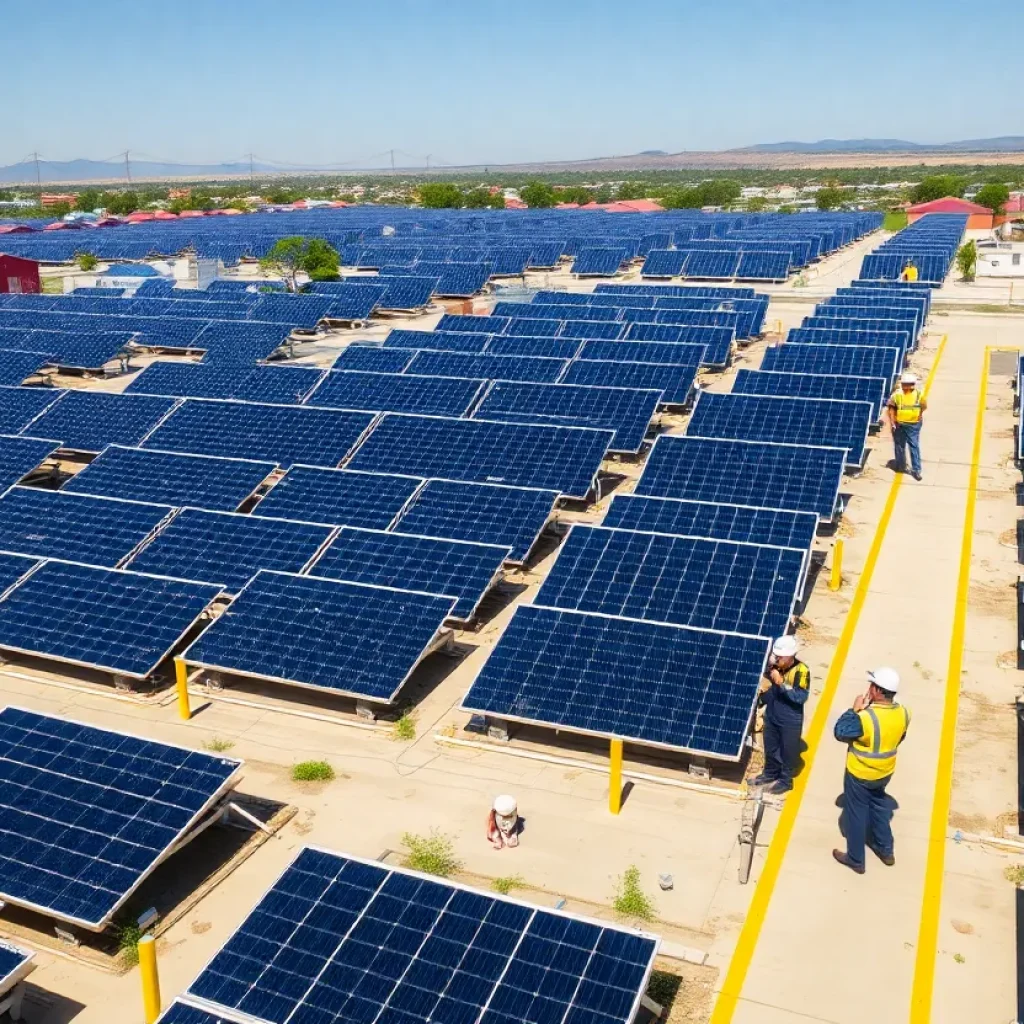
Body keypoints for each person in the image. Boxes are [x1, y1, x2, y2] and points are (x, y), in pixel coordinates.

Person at [832, 667, 911, 874]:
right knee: (878, 809)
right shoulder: (904, 712)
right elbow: (900, 737)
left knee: (856, 815)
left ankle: (855, 859)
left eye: (871, 685)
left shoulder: (866, 718)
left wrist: (854, 710)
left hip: (860, 774)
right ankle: (885, 850)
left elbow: (840, 732)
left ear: (876, 690)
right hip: (884, 772)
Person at [750, 636, 810, 795]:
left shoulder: (802, 671)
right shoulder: (775, 667)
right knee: (771, 747)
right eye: (775, 655)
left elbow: (800, 697)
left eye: (779, 656)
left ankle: (785, 781)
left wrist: (781, 683)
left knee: (788, 751)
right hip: (773, 713)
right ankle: (769, 774)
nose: (776, 658)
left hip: (790, 717)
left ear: (790, 655)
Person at [888, 370, 926, 481]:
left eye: (909, 384)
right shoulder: (897, 395)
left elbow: (923, 406)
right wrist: (893, 422)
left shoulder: (919, 394)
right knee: (900, 446)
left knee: (913, 445)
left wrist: (919, 416)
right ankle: (901, 466)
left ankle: (916, 470)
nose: (907, 386)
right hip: (899, 424)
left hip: (913, 425)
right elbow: (891, 409)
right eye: (906, 384)